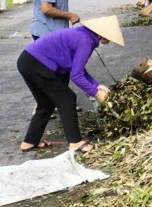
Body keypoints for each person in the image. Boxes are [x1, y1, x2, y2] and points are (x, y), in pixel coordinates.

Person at [17, 15, 124, 153]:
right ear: (103, 34)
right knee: (67, 99)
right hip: (38, 64)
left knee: (46, 104)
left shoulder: (83, 35)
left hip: (26, 61)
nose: (110, 40)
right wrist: (96, 93)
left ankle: (29, 142)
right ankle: (75, 142)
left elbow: (78, 69)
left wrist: (97, 85)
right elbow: (76, 76)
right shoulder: (85, 41)